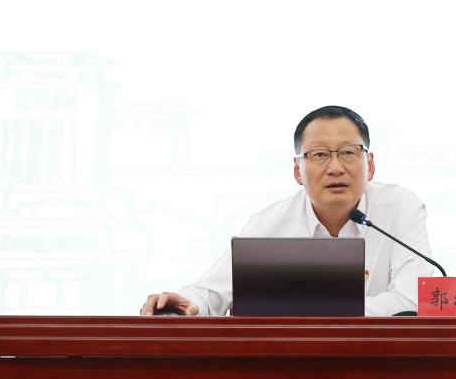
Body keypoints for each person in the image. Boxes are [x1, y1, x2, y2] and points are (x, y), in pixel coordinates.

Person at [140, 105, 436, 316]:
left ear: (369, 165)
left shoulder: (399, 208)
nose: (335, 167)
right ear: (298, 171)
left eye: (348, 152)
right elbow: (213, 293)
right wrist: (182, 302)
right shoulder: (269, 224)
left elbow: (413, 300)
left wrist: (315, 312)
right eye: (319, 154)